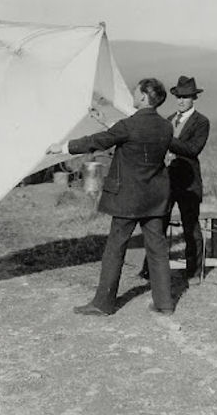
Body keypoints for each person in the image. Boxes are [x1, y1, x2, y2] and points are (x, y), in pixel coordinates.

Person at [47, 78, 175, 316]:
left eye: (135, 92)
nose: (133, 95)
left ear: (144, 97)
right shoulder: (166, 126)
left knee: (115, 248)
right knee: (157, 250)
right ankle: (164, 303)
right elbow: (133, 135)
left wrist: (62, 147)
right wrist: (105, 120)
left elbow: (98, 141)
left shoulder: (128, 125)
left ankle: (103, 304)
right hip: (155, 197)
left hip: (128, 198)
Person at [140, 75, 210, 284]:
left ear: (194, 98)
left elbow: (193, 149)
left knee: (190, 228)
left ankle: (193, 272)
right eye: (178, 96)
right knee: (158, 225)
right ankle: (150, 270)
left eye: (185, 97)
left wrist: (167, 140)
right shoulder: (168, 119)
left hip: (189, 184)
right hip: (166, 181)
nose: (181, 100)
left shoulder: (202, 122)